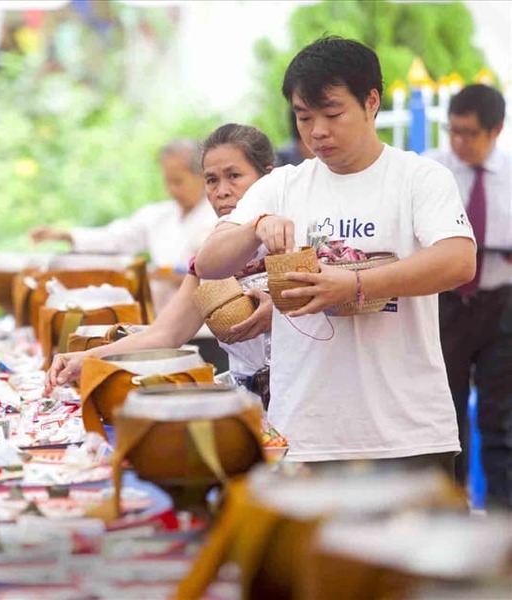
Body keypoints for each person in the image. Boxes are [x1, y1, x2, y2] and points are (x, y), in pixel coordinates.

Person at [194, 37, 476, 471]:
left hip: (407, 434)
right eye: (304, 117)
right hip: (306, 434)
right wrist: (255, 225)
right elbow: (210, 262)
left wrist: (355, 284)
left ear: (371, 102)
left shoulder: (419, 178)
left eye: (332, 114)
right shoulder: (282, 186)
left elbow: (458, 261)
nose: (317, 131)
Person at [46, 124, 275, 397]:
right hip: (250, 403)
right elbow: (164, 335)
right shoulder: (209, 260)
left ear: (268, 178)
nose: (221, 191)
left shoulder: (292, 234)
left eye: (234, 176)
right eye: (211, 180)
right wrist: (85, 358)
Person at [426, 84, 511, 506]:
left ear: (496, 130)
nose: (459, 142)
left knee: (501, 420)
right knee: (443, 416)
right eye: (452, 131)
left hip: (502, 308)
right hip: (444, 308)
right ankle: (448, 514)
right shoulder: (430, 172)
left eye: (469, 133)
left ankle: (502, 523)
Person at [28, 139, 216, 311]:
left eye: (178, 181)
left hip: (205, 324)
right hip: (162, 318)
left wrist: (180, 278)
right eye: (167, 181)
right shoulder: (159, 215)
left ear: (201, 176)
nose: (171, 189)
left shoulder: (218, 217)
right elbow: (117, 238)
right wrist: (64, 236)